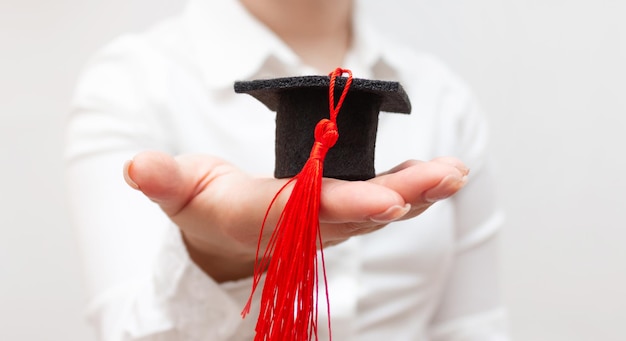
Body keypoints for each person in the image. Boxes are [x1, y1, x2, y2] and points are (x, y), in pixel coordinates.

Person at [65, 0, 510, 340]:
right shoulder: (135, 81)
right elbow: (126, 329)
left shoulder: (444, 98)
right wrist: (216, 255)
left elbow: (473, 326)